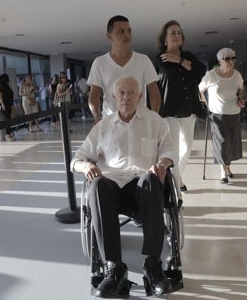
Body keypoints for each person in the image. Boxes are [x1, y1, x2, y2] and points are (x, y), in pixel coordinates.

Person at [71, 76, 176, 298]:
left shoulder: (154, 121)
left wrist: (162, 163)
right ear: (114, 97)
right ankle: (114, 268)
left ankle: (152, 265)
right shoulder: (103, 126)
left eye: (131, 93)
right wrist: (86, 165)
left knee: (151, 179)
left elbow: (169, 151)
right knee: (97, 185)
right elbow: (77, 159)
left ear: (140, 96)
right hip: (112, 188)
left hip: (142, 186)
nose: (126, 97)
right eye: (121, 93)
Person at [156, 20, 206, 192]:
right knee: (174, 149)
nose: (176, 35)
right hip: (169, 111)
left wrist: (179, 60)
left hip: (189, 109)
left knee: (188, 146)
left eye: (178, 32)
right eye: (173, 33)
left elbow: (201, 71)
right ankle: (176, 187)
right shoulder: (160, 59)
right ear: (165, 39)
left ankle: (177, 176)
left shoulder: (189, 57)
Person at [87, 15, 161, 125]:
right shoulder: (100, 63)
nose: (127, 35)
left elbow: (154, 90)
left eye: (129, 31)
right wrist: (97, 118)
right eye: (121, 31)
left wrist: (154, 116)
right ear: (109, 36)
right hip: (111, 122)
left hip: (140, 121)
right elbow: (94, 93)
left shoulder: (143, 60)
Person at [198, 48, 245, 184]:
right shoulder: (211, 75)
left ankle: (228, 167)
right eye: (227, 59)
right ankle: (222, 171)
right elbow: (200, 90)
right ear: (219, 61)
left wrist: (240, 99)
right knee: (222, 143)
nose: (231, 61)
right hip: (217, 114)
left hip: (234, 113)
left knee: (231, 143)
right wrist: (205, 105)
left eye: (233, 58)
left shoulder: (237, 75)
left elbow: (241, 89)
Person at [0, 73, 15, 141]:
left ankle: (9, 133)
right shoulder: (1, 86)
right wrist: (3, 105)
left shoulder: (6, 85)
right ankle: (7, 134)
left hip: (8, 105)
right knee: (7, 119)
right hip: (5, 106)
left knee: (8, 119)